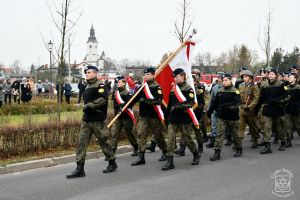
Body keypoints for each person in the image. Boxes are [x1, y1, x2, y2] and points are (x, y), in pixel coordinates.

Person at [66, 66, 117, 179]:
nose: (87, 74)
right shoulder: (87, 86)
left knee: (103, 142)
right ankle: (80, 169)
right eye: (86, 73)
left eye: (89, 72)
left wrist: (89, 105)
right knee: (81, 143)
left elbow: (103, 99)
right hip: (87, 120)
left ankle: (112, 162)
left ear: (95, 73)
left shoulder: (101, 85)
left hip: (97, 120)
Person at [162, 68, 200, 171]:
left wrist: (177, 106)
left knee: (187, 139)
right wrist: (166, 116)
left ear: (183, 76)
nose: (175, 79)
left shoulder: (189, 89)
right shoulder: (173, 89)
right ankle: (170, 161)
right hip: (173, 118)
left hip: (184, 118)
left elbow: (190, 103)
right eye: (174, 77)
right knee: (170, 139)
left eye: (177, 76)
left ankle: (196, 154)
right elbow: (170, 105)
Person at [131, 67, 168, 166]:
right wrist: (126, 105)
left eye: (148, 74)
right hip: (143, 116)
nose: (145, 76)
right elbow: (133, 98)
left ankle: (165, 151)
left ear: (153, 75)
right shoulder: (142, 87)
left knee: (158, 136)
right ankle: (141, 157)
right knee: (140, 134)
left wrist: (145, 101)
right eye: (145, 74)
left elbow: (158, 101)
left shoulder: (157, 87)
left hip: (154, 116)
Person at [207, 73, 241, 160]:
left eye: (226, 80)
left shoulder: (235, 91)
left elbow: (236, 103)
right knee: (219, 134)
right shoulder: (220, 90)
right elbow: (215, 102)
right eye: (223, 80)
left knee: (235, 134)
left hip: (232, 117)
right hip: (221, 116)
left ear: (230, 80)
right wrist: (209, 111)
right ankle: (217, 153)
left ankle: (239, 148)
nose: (224, 82)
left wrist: (225, 106)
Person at [257, 69, 289, 154]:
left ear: (276, 75)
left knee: (280, 128)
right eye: (269, 74)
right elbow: (261, 98)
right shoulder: (264, 85)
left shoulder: (281, 84)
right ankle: (267, 147)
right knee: (267, 128)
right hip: (268, 109)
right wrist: (257, 108)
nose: (270, 75)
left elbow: (287, 96)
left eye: (272, 74)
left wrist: (278, 101)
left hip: (278, 109)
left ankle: (282, 142)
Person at [111, 76, 138, 156]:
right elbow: (115, 105)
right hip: (118, 117)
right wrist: (118, 108)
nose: (118, 84)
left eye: (119, 82)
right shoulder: (115, 93)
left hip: (126, 117)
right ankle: (112, 152)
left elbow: (129, 104)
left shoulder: (128, 93)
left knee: (128, 133)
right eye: (117, 82)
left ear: (124, 83)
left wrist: (122, 106)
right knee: (114, 134)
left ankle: (136, 147)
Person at [238, 70, 261, 150]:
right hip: (242, 109)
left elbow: (256, 99)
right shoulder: (241, 86)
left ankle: (255, 140)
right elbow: (239, 98)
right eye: (243, 77)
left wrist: (250, 107)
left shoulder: (254, 87)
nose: (244, 78)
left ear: (250, 78)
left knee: (253, 127)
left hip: (250, 110)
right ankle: (239, 144)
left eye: (246, 77)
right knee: (240, 126)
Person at [206, 71, 225, 149]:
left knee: (224, 126)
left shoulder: (227, 87)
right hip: (215, 110)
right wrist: (209, 109)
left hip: (224, 110)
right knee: (214, 125)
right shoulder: (214, 87)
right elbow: (211, 99)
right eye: (219, 78)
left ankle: (229, 138)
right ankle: (213, 141)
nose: (220, 79)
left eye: (221, 78)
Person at [286, 73, 300, 146]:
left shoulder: (298, 87)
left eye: (291, 77)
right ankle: (289, 141)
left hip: (297, 109)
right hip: (288, 109)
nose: (289, 78)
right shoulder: (286, 88)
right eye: (289, 77)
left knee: (298, 126)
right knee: (288, 125)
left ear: (295, 79)